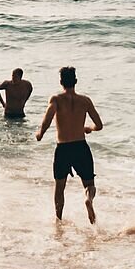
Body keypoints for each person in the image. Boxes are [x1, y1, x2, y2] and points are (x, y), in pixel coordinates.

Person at [35, 66, 103, 224]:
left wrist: (40, 134)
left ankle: (58, 220)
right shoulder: (85, 101)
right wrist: (89, 128)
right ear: (76, 81)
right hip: (81, 147)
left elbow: (48, 118)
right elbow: (99, 125)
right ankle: (88, 199)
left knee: (60, 187)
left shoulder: (56, 99)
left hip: (63, 148)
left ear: (61, 82)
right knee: (89, 184)